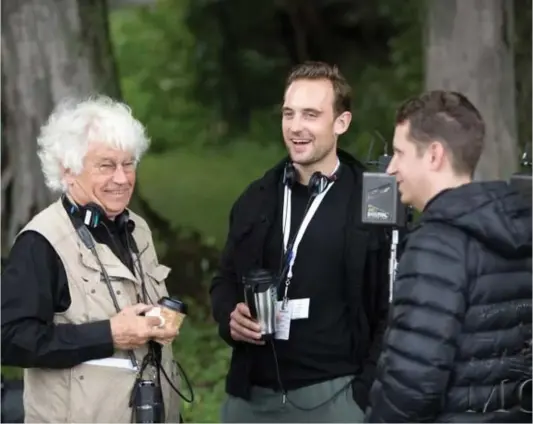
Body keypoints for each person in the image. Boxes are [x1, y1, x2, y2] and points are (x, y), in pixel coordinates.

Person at [210, 61, 390, 423]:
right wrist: (229, 315)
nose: (295, 127)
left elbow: (393, 305)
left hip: (336, 396)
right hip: (251, 398)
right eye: (288, 114)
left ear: (341, 123)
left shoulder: (376, 199)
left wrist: (364, 393)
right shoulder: (256, 198)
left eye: (311, 114)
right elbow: (223, 280)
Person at [1, 96, 182, 423]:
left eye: (128, 164)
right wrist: (109, 334)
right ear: (67, 171)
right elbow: (11, 339)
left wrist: (158, 321)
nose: (122, 178)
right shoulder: (40, 242)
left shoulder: (137, 227)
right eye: (106, 165)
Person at [366, 90, 532, 423]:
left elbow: (413, 385)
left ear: (434, 156)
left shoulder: (437, 245)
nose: (391, 168)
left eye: (399, 153)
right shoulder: (519, 231)